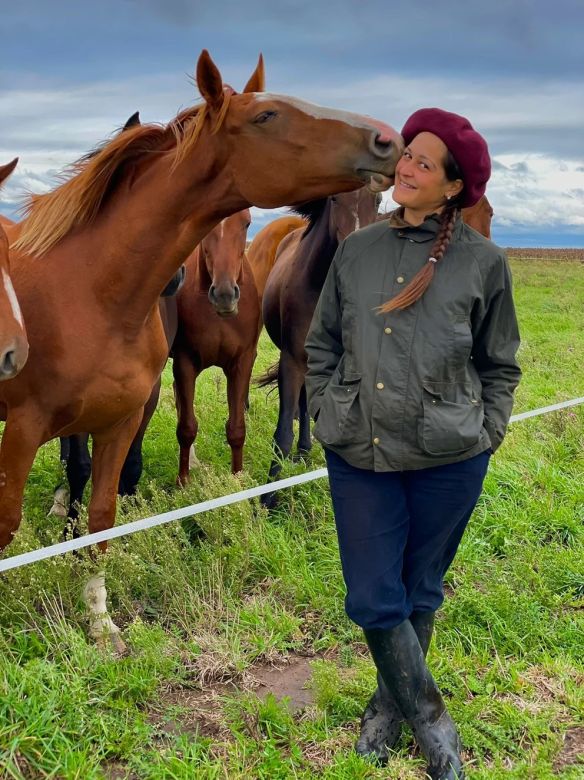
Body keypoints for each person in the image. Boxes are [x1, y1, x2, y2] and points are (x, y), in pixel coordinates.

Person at [304, 108, 521, 780]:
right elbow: (322, 345)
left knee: (420, 589)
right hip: (360, 453)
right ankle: (431, 719)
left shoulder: (483, 263)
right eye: (408, 156)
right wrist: (325, 410)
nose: (407, 167)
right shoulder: (357, 250)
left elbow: (499, 363)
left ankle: (386, 706)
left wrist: (485, 434)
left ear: (454, 186)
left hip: (450, 457)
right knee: (374, 597)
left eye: (426, 163)